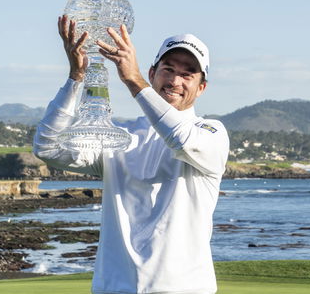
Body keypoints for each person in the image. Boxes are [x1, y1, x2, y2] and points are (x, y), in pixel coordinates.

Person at [33, 15, 229, 294]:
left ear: (201, 88)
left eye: (187, 74)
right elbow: (48, 147)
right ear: (153, 74)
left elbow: (181, 139)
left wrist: (133, 80)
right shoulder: (120, 136)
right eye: (168, 69)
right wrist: (75, 78)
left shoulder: (211, 133)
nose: (175, 80)